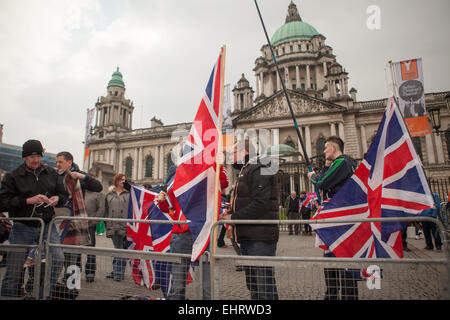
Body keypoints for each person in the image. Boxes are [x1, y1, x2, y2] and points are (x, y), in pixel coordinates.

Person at [0, 139, 67, 298]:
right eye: (31, 157)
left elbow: (64, 195)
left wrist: (58, 198)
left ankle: (42, 294)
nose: (36, 160)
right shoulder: (12, 176)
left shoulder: (51, 173)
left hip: (47, 225)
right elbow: (3, 203)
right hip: (23, 226)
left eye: (38, 156)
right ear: (24, 157)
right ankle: (8, 296)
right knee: (15, 269)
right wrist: (27, 201)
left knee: (57, 259)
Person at [158, 164, 229, 300]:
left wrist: (217, 161)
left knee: (206, 280)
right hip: (181, 234)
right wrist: (162, 201)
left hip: (203, 232)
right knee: (177, 281)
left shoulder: (208, 172)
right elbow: (169, 207)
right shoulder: (176, 177)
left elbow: (224, 182)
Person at [220, 139, 279, 300]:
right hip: (249, 234)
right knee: (254, 285)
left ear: (244, 152)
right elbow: (246, 200)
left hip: (260, 236)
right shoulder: (248, 170)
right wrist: (230, 212)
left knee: (264, 286)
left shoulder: (260, 167)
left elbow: (261, 204)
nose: (230, 157)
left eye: (233, 153)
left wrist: (234, 217)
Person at [308, 136, 358, 300]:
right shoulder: (340, 164)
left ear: (334, 148)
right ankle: (332, 294)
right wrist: (326, 167)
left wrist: (312, 177)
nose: (323, 151)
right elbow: (328, 181)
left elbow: (322, 182)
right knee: (331, 258)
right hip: (337, 216)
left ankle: (346, 295)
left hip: (341, 217)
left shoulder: (343, 162)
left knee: (343, 260)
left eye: (326, 147)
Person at [55, 151, 103, 281]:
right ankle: (60, 281)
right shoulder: (55, 176)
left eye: (60, 162)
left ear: (69, 162)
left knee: (73, 255)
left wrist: (84, 178)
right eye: (57, 162)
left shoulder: (79, 175)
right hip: (59, 220)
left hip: (74, 219)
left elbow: (98, 187)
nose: (57, 164)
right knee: (59, 252)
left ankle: (72, 285)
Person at [104, 173, 130, 281]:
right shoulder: (109, 195)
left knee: (121, 249)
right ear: (116, 181)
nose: (123, 182)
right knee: (117, 248)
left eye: (124, 180)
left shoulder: (129, 194)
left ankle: (118, 273)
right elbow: (106, 210)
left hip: (124, 226)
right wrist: (107, 222)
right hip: (112, 225)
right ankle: (115, 270)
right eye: (121, 180)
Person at [84, 189, 105, 282]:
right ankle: (74, 271)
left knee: (91, 250)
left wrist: (94, 221)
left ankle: (90, 272)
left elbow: (101, 209)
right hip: (76, 224)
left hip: (90, 226)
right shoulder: (78, 191)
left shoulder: (98, 194)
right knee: (75, 251)